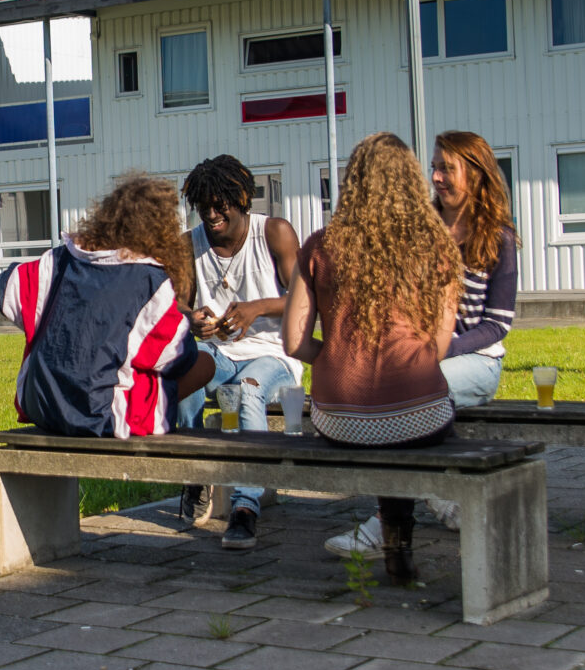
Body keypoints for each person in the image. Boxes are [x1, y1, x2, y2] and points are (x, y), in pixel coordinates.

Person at [328, 129, 518, 560]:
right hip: (413, 359)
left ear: (475, 174)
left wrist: (435, 353)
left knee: (406, 398)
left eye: (446, 168)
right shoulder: (419, 230)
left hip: (474, 361)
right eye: (433, 167)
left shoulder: (499, 237)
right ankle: (433, 496)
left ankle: (385, 524)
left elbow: (497, 324)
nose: (436, 177)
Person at [285, 133, 460, 586]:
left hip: (339, 417)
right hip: (418, 415)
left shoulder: (320, 246)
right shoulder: (437, 246)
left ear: (352, 182)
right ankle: (399, 542)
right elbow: (437, 348)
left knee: (382, 419)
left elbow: (292, 343)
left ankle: (393, 538)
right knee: (406, 418)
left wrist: (337, 357)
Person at [0, 171, 214, 437]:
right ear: (161, 230)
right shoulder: (149, 281)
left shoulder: (58, 260)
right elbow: (177, 356)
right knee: (204, 363)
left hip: (41, 404)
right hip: (101, 414)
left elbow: (5, 288)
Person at [173, 156, 304, 551]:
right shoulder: (189, 243)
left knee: (248, 389)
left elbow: (304, 299)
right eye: (203, 206)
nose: (212, 215)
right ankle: (195, 474)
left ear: (241, 198)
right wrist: (193, 320)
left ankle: (246, 507)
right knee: (189, 368)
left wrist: (257, 308)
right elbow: (176, 304)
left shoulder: (274, 233)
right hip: (222, 352)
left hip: (273, 357)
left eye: (220, 205)